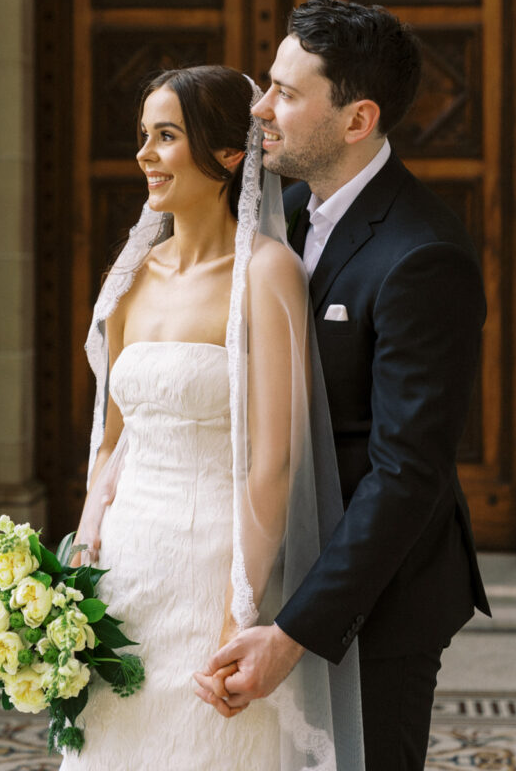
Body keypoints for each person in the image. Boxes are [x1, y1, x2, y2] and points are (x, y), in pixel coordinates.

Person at [196, 0, 491, 771]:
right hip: (278, 576)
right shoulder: (281, 212)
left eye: (287, 94)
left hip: (379, 602)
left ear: (357, 120)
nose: (260, 107)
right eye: (269, 82)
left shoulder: (423, 256)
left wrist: (295, 634)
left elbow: (406, 473)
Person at [61, 65, 365, 771]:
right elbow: (113, 437)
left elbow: (274, 461)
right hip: (126, 572)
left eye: (165, 136)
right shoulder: (132, 274)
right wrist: (80, 557)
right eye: (143, 136)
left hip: (211, 574)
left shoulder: (265, 273)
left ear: (230, 155)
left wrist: (239, 605)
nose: (143, 154)